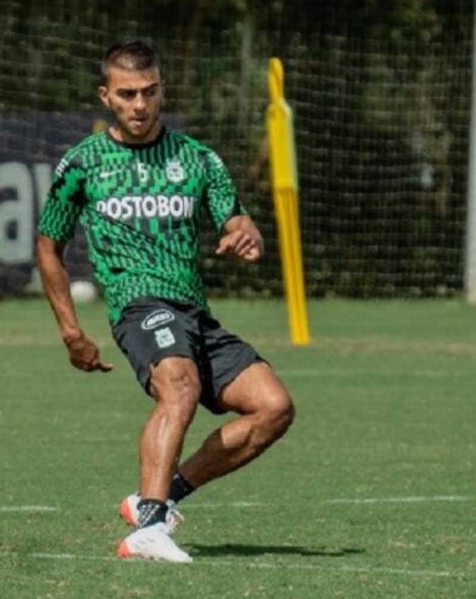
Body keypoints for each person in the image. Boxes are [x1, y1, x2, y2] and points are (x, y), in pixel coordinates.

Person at [35, 40, 295, 563]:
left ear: (162, 92)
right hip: (137, 304)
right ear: (106, 96)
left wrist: (246, 234)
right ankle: (148, 530)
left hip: (193, 311)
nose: (139, 104)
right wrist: (70, 330)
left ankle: (160, 497)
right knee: (179, 386)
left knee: (274, 408)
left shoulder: (197, 159)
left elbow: (236, 218)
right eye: (127, 94)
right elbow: (48, 247)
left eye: (149, 92)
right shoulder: (83, 164)